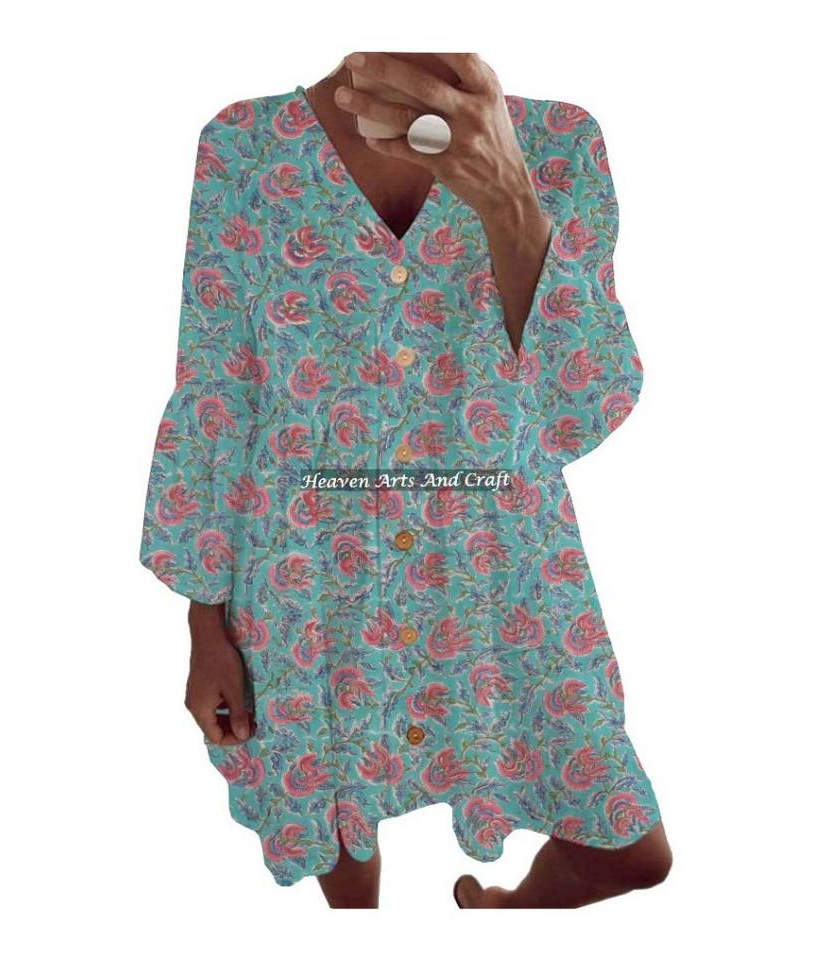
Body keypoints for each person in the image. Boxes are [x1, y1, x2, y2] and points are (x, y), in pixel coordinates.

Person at [139, 51, 672, 908]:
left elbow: (581, 408)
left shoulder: (559, 142)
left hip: (502, 578)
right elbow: (217, 391)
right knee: (341, 839)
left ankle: (504, 916)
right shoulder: (244, 146)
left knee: (632, 855)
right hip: (307, 582)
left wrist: (509, 199)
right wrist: (204, 622)